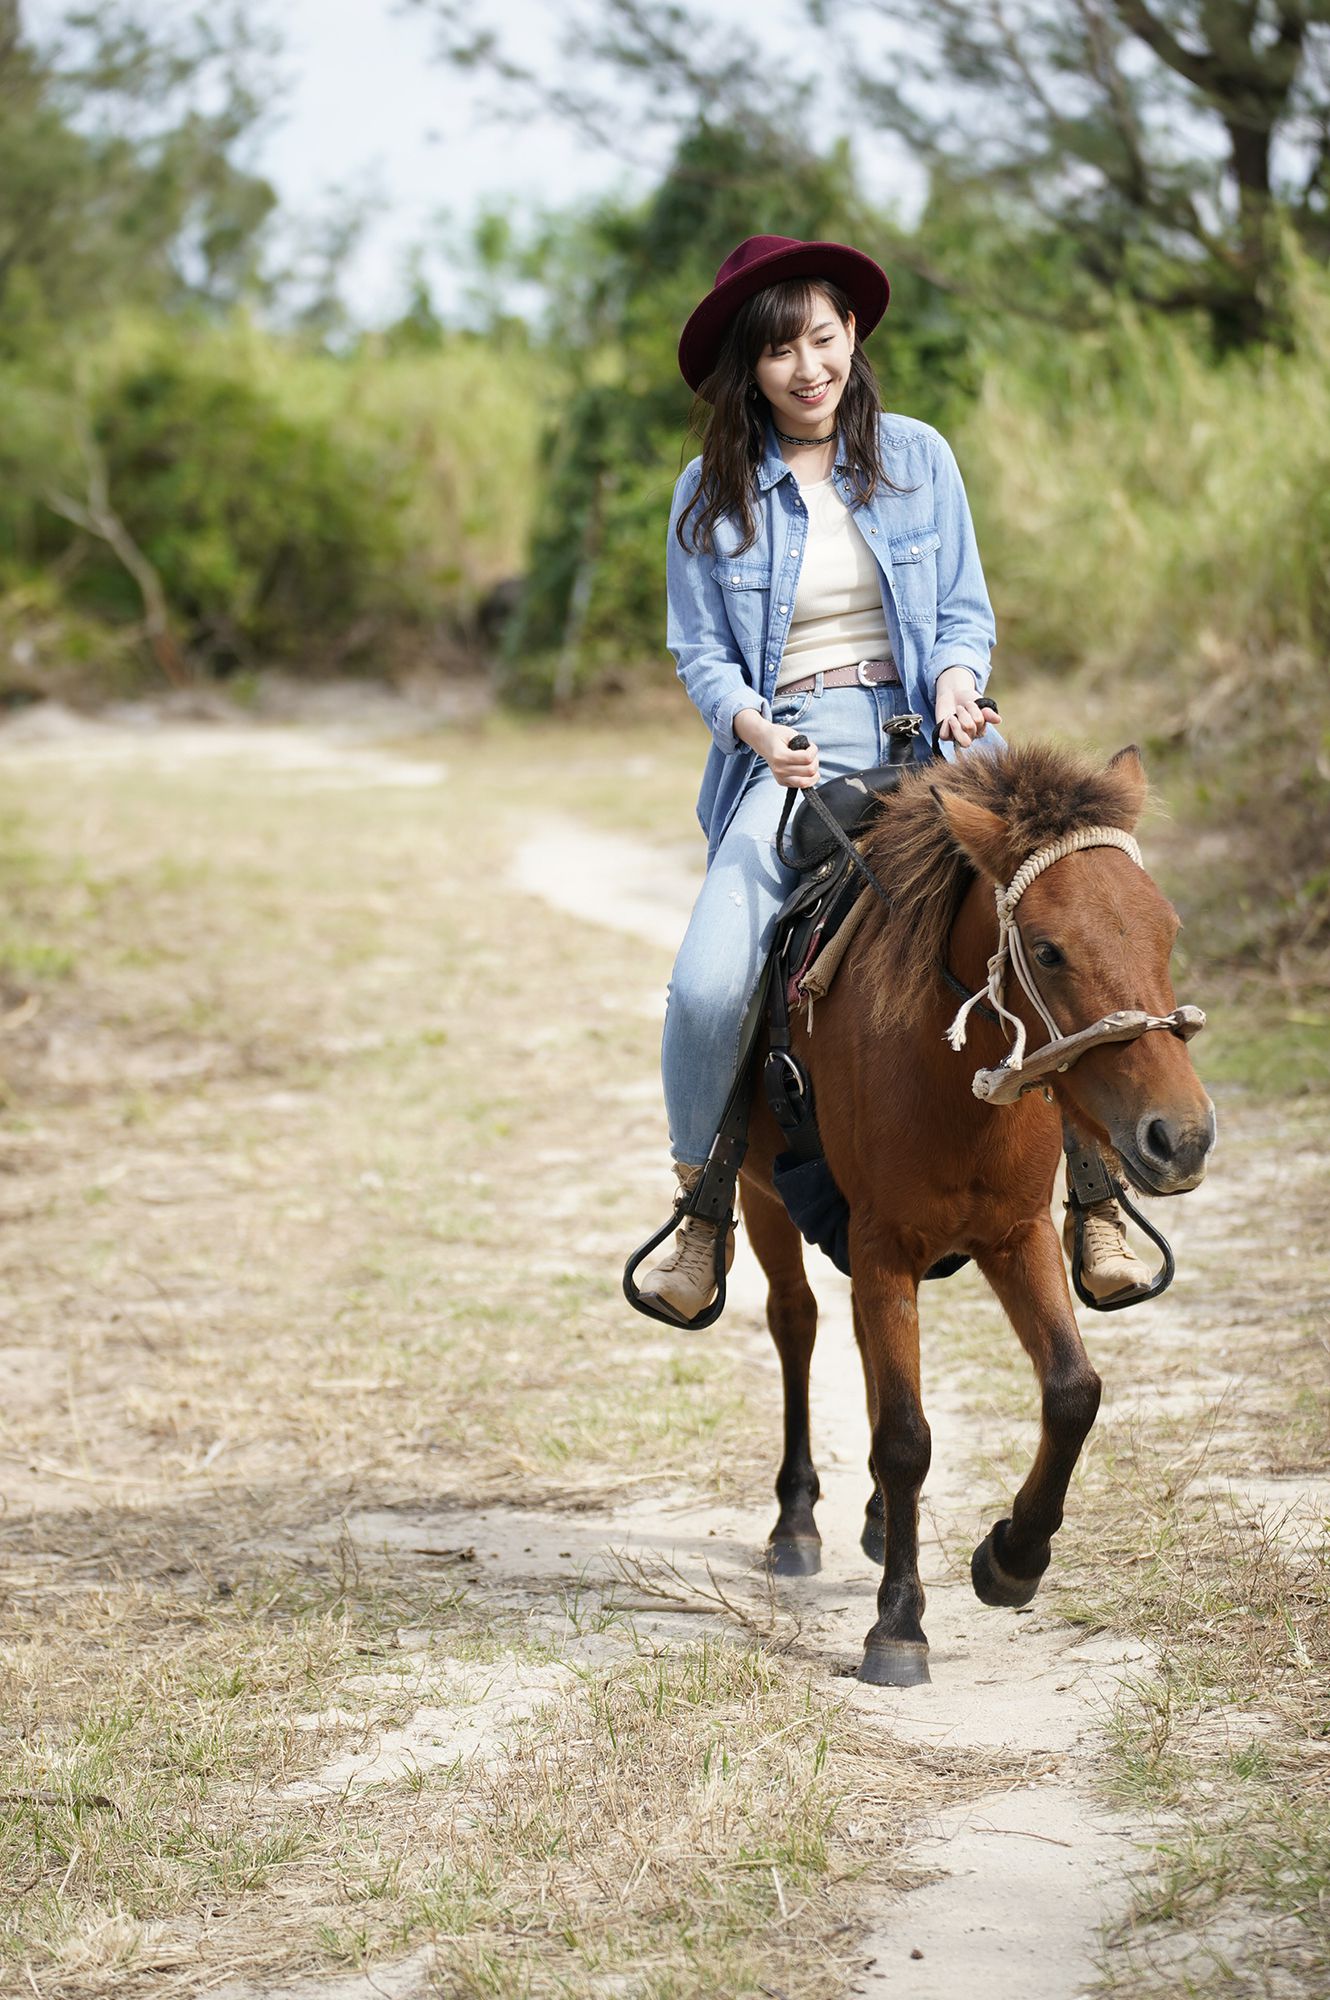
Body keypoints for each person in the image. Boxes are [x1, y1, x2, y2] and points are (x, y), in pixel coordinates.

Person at [639, 235, 1149, 1324]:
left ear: (852, 334)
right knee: (709, 978)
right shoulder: (709, 489)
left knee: (1070, 905)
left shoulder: (919, 454)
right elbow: (700, 649)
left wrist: (963, 679)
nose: (807, 366)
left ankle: (1096, 1196)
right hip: (795, 746)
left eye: (822, 337)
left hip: (933, 729)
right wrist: (750, 730)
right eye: (780, 351)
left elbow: (961, 607)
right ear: (750, 367)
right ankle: (701, 1209)